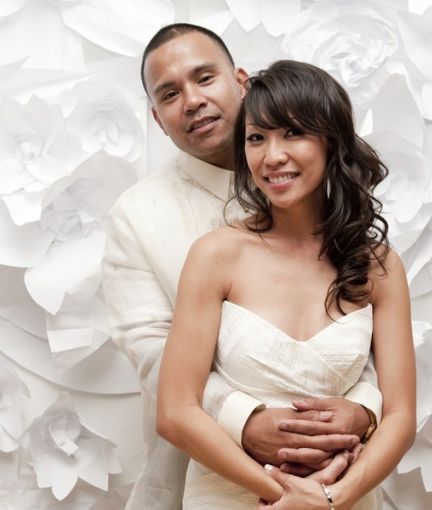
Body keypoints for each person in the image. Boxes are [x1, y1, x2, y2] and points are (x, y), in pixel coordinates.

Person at [102, 24, 383, 509]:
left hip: (338, 469)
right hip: (205, 474)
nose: (192, 101)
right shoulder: (138, 214)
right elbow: (150, 349)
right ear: (157, 119)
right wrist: (245, 418)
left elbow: (364, 325)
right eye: (170, 94)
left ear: (241, 83)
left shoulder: (317, 189)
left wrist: (361, 411)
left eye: (204, 78)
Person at [156, 60, 416, 509]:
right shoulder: (215, 256)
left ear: (331, 141)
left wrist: (332, 498)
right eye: (257, 138)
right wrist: (286, 496)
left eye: (293, 133)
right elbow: (175, 413)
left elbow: (401, 415)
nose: (272, 156)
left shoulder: (379, 266)